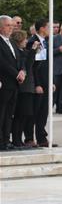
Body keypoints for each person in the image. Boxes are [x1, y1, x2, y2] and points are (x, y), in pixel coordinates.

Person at [0, 16, 24, 151]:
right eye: (8, 25)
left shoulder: (12, 42)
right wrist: (16, 73)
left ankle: (5, 140)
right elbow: (3, 63)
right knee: (2, 113)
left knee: (9, 114)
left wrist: (22, 71)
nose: (11, 28)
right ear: (1, 27)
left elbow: (19, 59)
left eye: (11, 25)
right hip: (4, 83)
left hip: (15, 84)